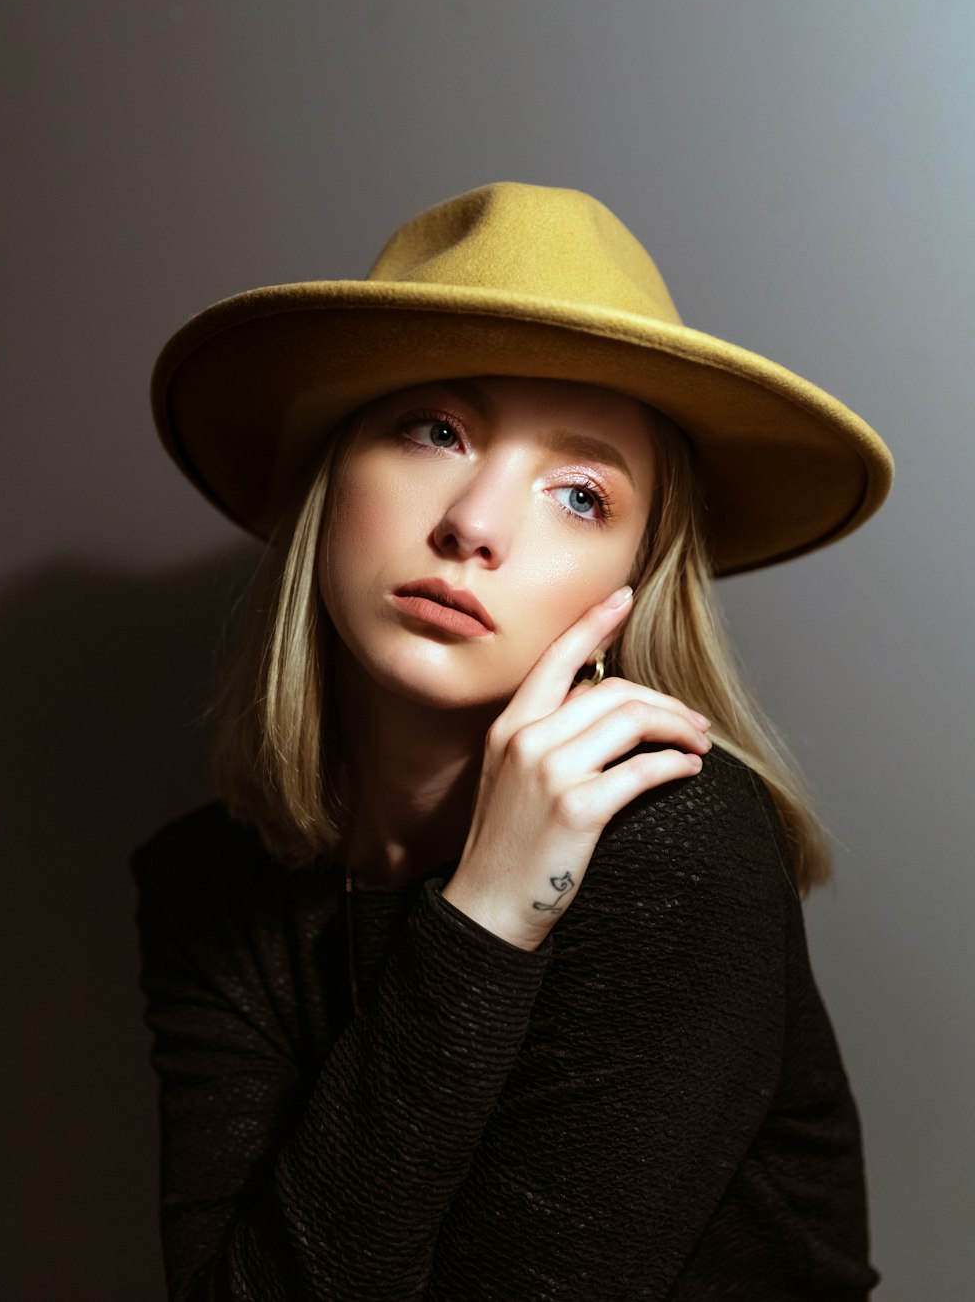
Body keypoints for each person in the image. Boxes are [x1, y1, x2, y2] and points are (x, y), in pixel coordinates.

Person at [131, 181, 892, 1300]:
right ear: (331, 478)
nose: (474, 525)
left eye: (578, 495)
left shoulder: (670, 837)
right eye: (435, 431)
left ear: (631, 588)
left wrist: (491, 927)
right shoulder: (210, 883)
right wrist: (484, 910)